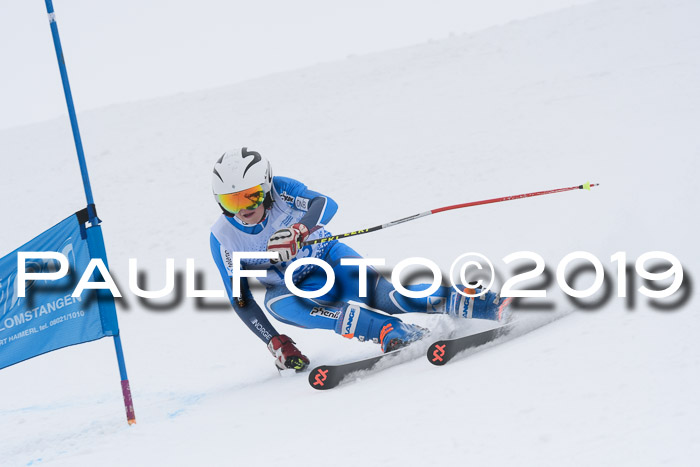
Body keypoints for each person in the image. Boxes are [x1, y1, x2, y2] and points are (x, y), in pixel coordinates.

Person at [210, 147, 509, 371]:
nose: (241, 210)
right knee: (278, 304)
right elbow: (242, 299)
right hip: (289, 288)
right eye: (229, 201)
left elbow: (325, 203)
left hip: (328, 259)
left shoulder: (283, 190)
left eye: (249, 197)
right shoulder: (223, 238)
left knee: (386, 297)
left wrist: (300, 229)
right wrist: (275, 341)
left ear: (265, 187)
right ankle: (390, 332)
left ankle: (482, 303)